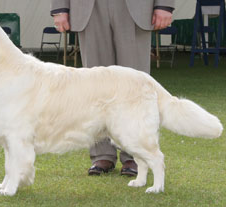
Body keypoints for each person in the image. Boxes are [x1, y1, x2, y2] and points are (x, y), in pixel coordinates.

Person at [51, 0, 174, 176]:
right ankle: (102, 154)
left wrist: (164, 5)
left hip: (134, 8)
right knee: (94, 89)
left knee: (134, 87)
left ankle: (135, 155)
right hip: (89, 8)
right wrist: (60, 8)